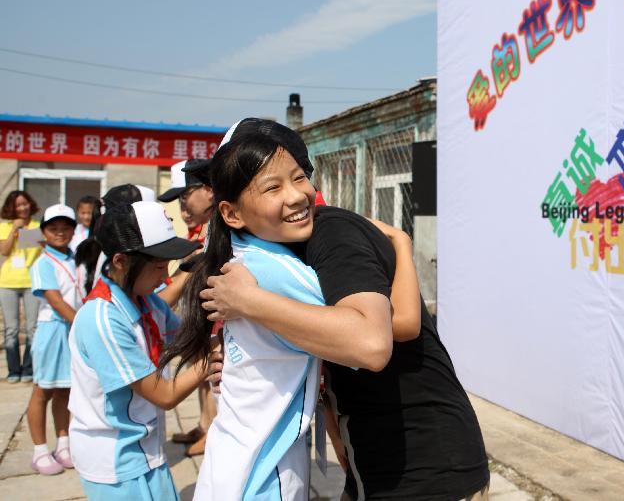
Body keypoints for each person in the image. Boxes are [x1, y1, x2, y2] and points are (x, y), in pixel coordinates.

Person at [202, 119, 490, 500]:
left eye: (298, 177)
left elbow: (379, 337)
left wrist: (251, 304)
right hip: (377, 459)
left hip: (425, 465)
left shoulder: (331, 233)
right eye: (271, 186)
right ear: (232, 211)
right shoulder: (280, 252)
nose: (294, 195)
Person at [68, 200, 205, 500]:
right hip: (115, 461)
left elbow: (184, 339)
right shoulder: (102, 319)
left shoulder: (147, 302)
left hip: (146, 450)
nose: (165, 276)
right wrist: (211, 360)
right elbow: (165, 394)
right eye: (158, 267)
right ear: (121, 261)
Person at [159, 159, 218, 456]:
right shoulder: (199, 230)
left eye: (184, 198)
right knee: (201, 372)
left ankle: (213, 429)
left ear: (208, 190)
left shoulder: (220, 227)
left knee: (210, 372)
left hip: (215, 319)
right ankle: (205, 424)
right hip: (197, 318)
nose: (182, 209)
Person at [27, 204, 85, 475]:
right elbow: (55, 300)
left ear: (74, 230)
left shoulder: (76, 258)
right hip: (53, 330)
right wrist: (84, 324)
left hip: (72, 328)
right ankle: (39, 450)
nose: (60, 233)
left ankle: (63, 443)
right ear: (44, 232)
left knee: (66, 389)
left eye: (66, 228)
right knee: (43, 390)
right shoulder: (43, 262)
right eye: (53, 228)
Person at [0, 190, 42, 383]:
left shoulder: (37, 226)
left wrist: (28, 233)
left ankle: (28, 369)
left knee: (32, 327)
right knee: (12, 328)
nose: (23, 208)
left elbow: (41, 250)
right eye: (18, 205)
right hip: (8, 283)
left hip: (31, 282)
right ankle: (13, 370)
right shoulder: (4, 226)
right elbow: (5, 251)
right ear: (11, 207)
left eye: (25, 204)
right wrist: (13, 230)